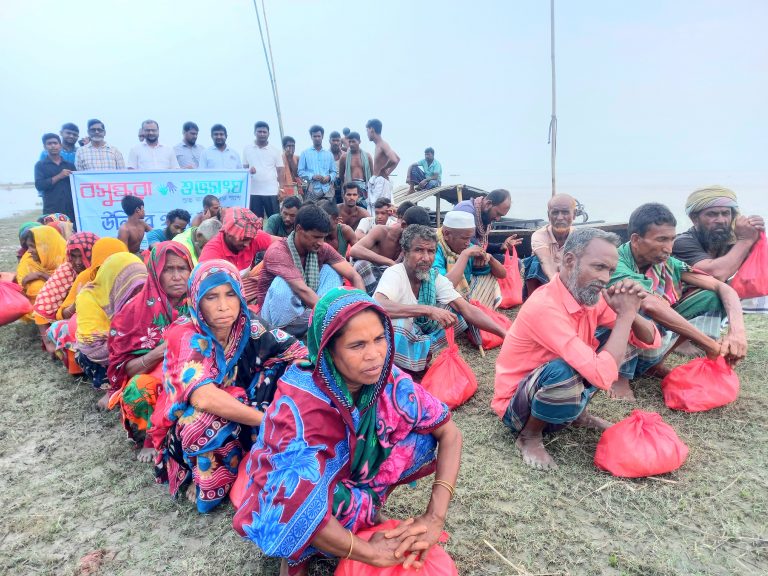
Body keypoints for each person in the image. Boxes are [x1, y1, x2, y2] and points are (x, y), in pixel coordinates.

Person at [234, 288, 462, 576]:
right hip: (294, 493)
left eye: (380, 339)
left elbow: (449, 433)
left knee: (422, 440)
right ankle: (297, 556)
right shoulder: (303, 405)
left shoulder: (386, 379)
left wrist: (434, 516)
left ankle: (363, 512)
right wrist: (371, 554)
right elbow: (290, 503)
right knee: (298, 508)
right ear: (328, 349)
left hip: (346, 480)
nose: (375, 355)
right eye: (357, 345)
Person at [493, 228, 661, 469]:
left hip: (554, 388)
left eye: (610, 271)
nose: (605, 278)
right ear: (570, 261)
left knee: (617, 340)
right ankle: (529, 436)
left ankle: (577, 415)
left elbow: (650, 341)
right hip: (518, 406)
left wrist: (631, 312)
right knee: (564, 369)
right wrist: (624, 316)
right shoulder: (544, 306)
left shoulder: (588, 297)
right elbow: (603, 376)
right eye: (599, 267)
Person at [153, 259, 307, 512]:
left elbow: (294, 350)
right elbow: (203, 397)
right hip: (191, 423)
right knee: (200, 421)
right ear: (196, 300)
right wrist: (267, 419)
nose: (224, 307)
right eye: (211, 297)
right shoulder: (185, 334)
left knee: (290, 370)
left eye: (231, 295)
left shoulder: (248, 325)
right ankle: (201, 475)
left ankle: (256, 453)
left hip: (244, 409)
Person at [608, 203, 747, 401]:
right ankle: (620, 376)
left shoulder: (668, 263)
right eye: (661, 240)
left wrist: (737, 332)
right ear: (636, 240)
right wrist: (710, 345)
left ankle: (654, 364)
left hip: (652, 336)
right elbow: (650, 305)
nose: (669, 248)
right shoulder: (616, 262)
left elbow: (722, 287)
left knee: (711, 296)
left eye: (672, 239)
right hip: (608, 339)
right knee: (632, 303)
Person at [374, 225, 507, 373]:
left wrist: (504, 334)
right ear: (405, 252)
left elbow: (466, 308)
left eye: (431, 251)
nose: (426, 258)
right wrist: (427, 310)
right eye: (419, 250)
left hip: (418, 335)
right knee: (399, 325)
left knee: (455, 314)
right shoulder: (395, 273)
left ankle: (419, 359)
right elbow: (378, 304)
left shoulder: (433, 276)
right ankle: (398, 370)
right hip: (395, 338)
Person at [107, 242, 194, 462]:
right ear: (155, 272)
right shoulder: (133, 311)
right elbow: (124, 368)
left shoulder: (200, 302)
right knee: (139, 389)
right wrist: (159, 352)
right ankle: (149, 433)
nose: (177, 276)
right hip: (153, 377)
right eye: (168, 269)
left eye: (182, 269)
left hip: (194, 372)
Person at [256, 203, 365, 337]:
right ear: (299, 229)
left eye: (323, 237)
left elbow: (354, 276)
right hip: (273, 319)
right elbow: (302, 290)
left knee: (331, 271)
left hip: (306, 311)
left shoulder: (322, 248)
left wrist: (363, 307)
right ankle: (315, 324)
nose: (321, 242)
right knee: (281, 283)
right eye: (316, 237)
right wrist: (337, 316)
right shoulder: (278, 251)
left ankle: (317, 323)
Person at [673, 185, 766, 312]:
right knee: (713, 294)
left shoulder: (730, 240)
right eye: (712, 214)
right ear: (694, 218)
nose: (721, 220)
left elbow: (757, 273)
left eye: (725, 213)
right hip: (680, 305)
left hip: (716, 297)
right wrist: (745, 241)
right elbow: (716, 275)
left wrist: (756, 238)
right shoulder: (681, 242)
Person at [74, 253, 148, 395]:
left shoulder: (149, 298)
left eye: (142, 286)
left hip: (133, 355)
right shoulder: (88, 298)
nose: (138, 294)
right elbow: (93, 347)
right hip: (102, 358)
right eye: (131, 289)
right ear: (116, 283)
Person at [32, 232, 98, 350]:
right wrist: (47, 342)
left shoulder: (100, 269)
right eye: (74, 256)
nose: (77, 262)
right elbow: (42, 306)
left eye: (82, 256)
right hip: (67, 317)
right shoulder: (67, 269)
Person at [351, 206, 431, 295]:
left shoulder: (413, 242)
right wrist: (389, 262)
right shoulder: (381, 231)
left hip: (393, 277)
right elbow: (354, 250)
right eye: (414, 233)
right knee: (362, 265)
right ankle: (375, 302)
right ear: (404, 225)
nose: (417, 237)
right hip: (372, 273)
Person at [435, 211, 507, 310]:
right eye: (464, 238)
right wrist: (464, 256)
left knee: (490, 276)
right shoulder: (432, 249)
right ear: (447, 234)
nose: (468, 243)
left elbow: (502, 274)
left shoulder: (468, 247)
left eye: (470, 238)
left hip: (458, 299)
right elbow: (443, 289)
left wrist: (490, 258)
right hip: (439, 304)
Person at [523, 194, 577, 297]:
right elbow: (545, 262)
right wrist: (559, 289)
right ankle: (533, 301)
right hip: (546, 279)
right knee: (535, 262)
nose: (560, 218)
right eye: (555, 213)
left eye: (565, 212)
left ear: (574, 214)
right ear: (549, 215)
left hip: (568, 278)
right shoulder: (539, 235)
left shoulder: (578, 237)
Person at [16, 225, 67, 320]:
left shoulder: (66, 257)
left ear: (44, 246)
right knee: (36, 286)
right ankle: (41, 317)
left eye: (32, 247)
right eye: (28, 247)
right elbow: (22, 284)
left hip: (65, 304)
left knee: (39, 287)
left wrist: (41, 275)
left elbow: (66, 287)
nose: (29, 251)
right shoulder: (28, 260)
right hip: (37, 307)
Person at [199, 206, 273, 272]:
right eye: (243, 239)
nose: (247, 244)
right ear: (229, 234)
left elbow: (282, 244)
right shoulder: (211, 254)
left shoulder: (251, 236)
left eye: (251, 239)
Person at [243, 121, 283, 218]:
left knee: (275, 219)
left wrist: (281, 189)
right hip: (253, 192)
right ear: (254, 133)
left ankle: (274, 234)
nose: (262, 134)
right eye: (259, 131)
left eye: (264, 132)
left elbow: (281, 171)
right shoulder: (247, 149)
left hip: (271, 192)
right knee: (255, 221)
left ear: (268, 133)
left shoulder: (275, 150)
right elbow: (244, 170)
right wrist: (249, 171)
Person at [34, 133, 77, 222]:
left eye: (55, 143)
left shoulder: (70, 165)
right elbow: (40, 185)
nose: (53, 146)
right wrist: (59, 176)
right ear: (45, 147)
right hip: (51, 209)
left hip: (71, 209)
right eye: (49, 144)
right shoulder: (40, 165)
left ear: (60, 146)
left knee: (72, 234)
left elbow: (77, 184)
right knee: (54, 234)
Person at [366, 119, 400, 214]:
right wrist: (387, 170)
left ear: (371, 129)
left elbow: (394, 159)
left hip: (381, 182)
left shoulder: (383, 144)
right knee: (374, 210)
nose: (367, 134)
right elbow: (397, 158)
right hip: (378, 181)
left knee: (380, 210)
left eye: (367, 131)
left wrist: (384, 169)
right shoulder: (378, 145)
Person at [298, 125, 336, 201]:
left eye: (319, 136)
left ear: (322, 136)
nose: (317, 138)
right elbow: (300, 172)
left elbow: (334, 172)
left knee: (328, 212)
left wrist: (329, 177)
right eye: (314, 136)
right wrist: (312, 176)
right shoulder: (305, 153)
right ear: (311, 137)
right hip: (311, 190)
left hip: (327, 190)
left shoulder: (329, 154)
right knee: (312, 212)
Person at [338, 131, 374, 202]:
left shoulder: (367, 156)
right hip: (350, 188)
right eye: (350, 142)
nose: (351, 144)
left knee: (364, 210)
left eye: (353, 142)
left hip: (365, 188)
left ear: (359, 141)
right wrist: (348, 184)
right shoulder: (344, 157)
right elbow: (341, 175)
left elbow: (372, 175)